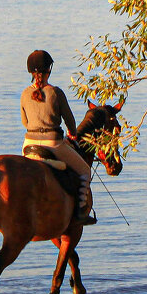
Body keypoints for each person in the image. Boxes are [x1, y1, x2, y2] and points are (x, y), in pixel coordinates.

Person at [20, 49, 96, 225]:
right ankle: (80, 210)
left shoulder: (24, 94)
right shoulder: (56, 92)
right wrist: (73, 133)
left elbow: (25, 122)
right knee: (85, 171)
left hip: (28, 144)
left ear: (31, 71)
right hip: (53, 143)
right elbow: (70, 122)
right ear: (49, 70)